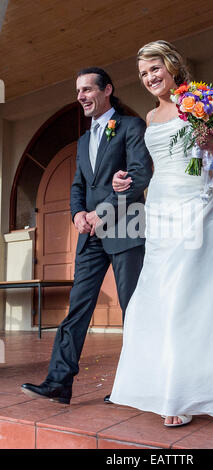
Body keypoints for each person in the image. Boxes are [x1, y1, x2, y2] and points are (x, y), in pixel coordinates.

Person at [109, 40, 213, 427]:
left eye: (154, 68)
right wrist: (126, 181)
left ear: (171, 66)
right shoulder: (149, 120)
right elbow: (153, 169)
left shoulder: (198, 103)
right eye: (142, 74)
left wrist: (212, 142)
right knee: (161, 292)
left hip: (195, 206)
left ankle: (185, 393)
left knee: (189, 291)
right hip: (161, 208)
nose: (149, 78)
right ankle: (172, 383)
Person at [21, 67, 152, 404]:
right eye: (78, 91)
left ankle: (138, 385)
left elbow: (138, 176)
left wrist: (102, 212)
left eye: (87, 89)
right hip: (90, 235)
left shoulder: (130, 126)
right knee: (77, 309)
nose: (80, 96)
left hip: (126, 228)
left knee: (132, 309)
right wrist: (78, 214)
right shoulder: (82, 141)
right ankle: (58, 383)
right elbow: (78, 184)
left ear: (107, 90)